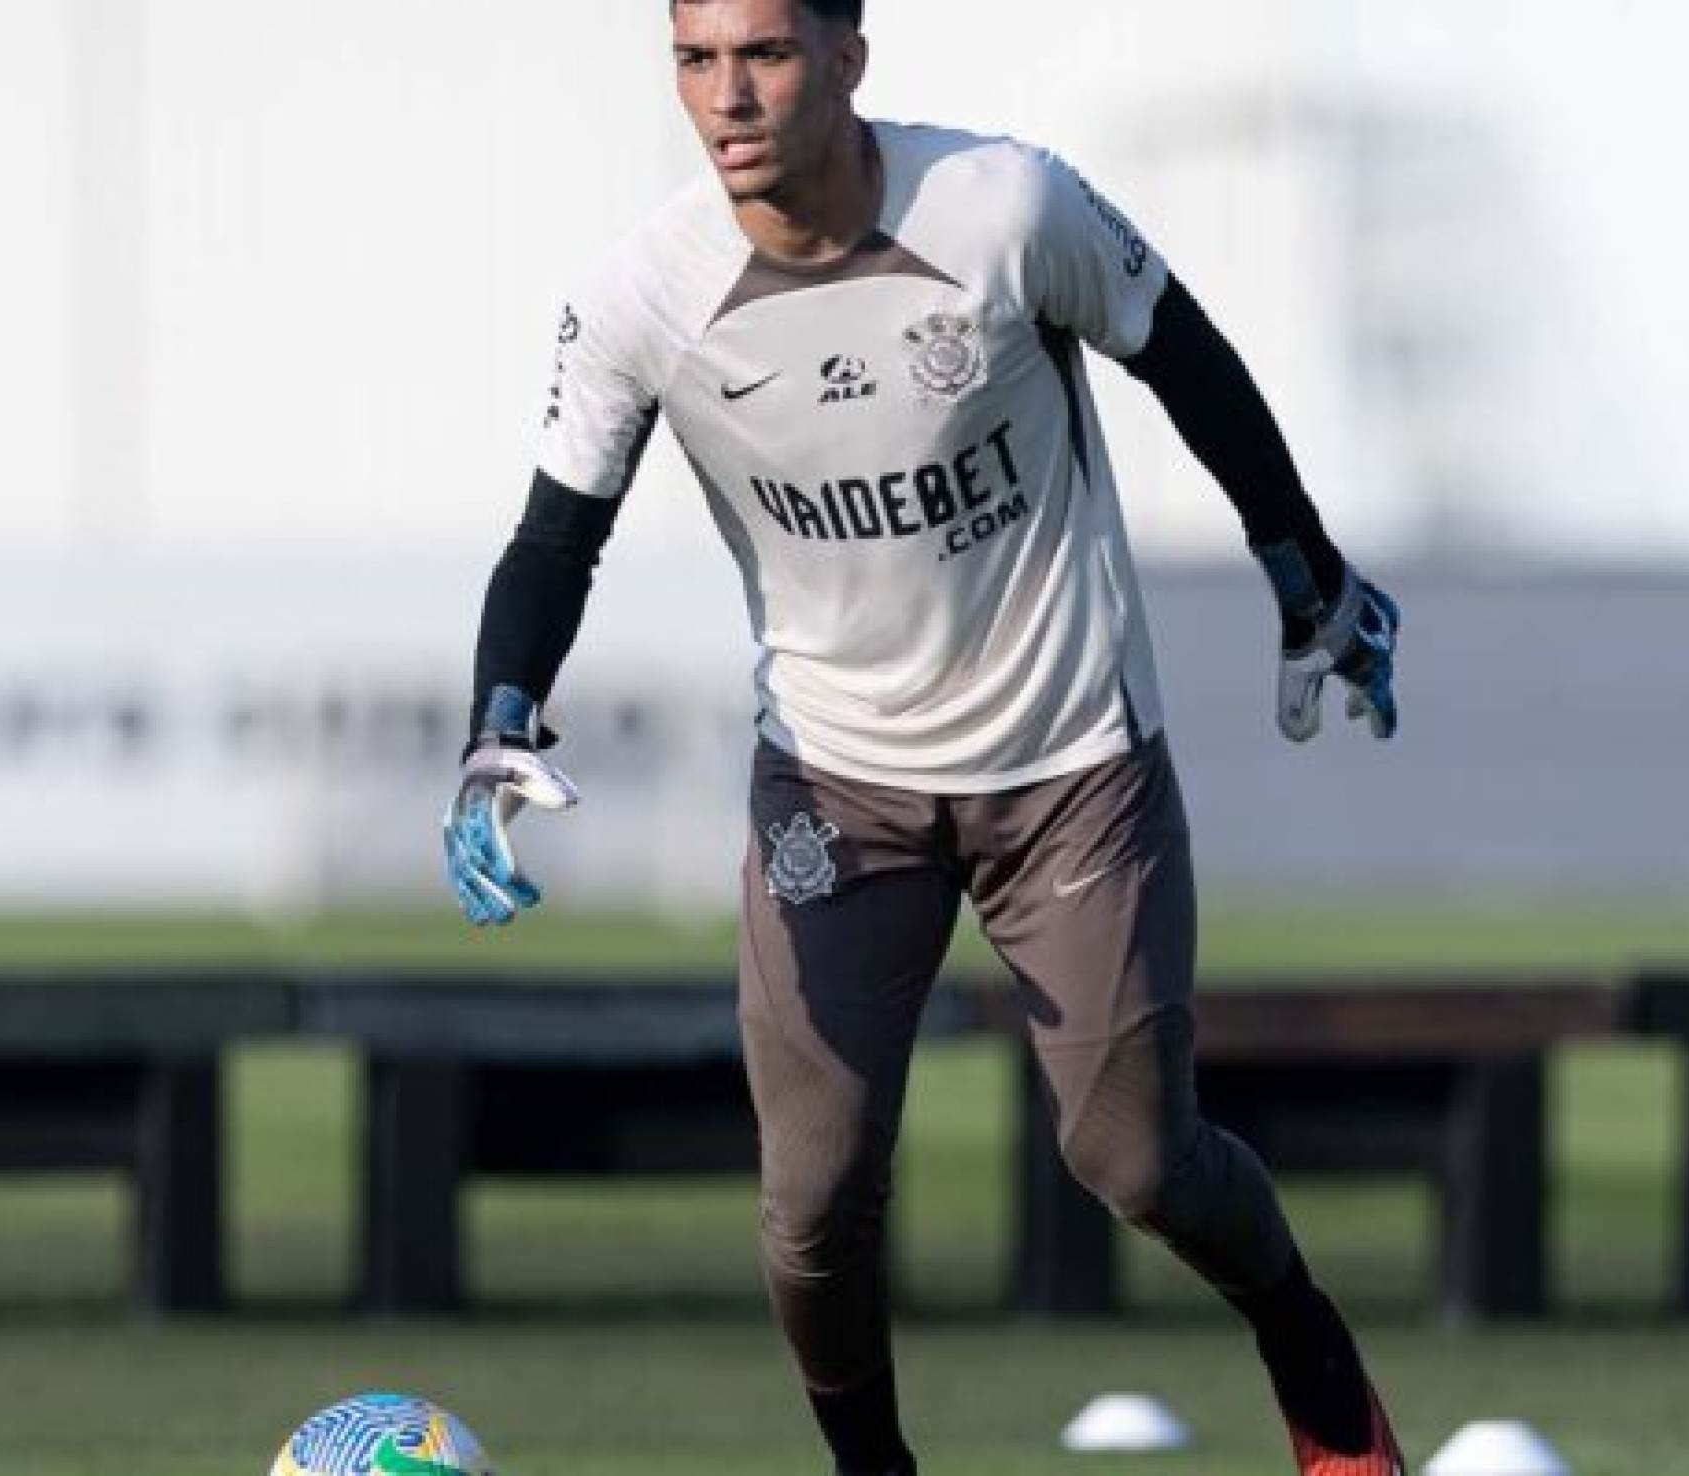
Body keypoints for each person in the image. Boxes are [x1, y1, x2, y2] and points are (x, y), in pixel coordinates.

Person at [442, 0, 1408, 1471]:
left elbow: (1190, 360)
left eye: (762, 53)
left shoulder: (1006, 207)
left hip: (1073, 764)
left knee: (1136, 1161)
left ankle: (1302, 1339)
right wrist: (495, 720)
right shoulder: (643, 297)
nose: (727, 98)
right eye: (695, 60)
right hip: (837, 783)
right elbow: (553, 539)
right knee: (813, 1204)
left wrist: (1306, 569)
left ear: (847, 58)